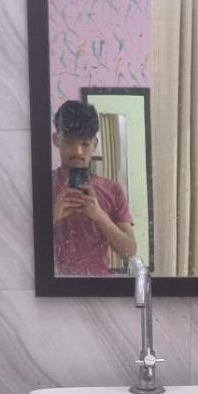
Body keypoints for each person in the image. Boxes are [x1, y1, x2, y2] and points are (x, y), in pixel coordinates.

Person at [51, 100, 137, 276]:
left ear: (95, 144)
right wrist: (53, 216)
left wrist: (99, 215)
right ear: (56, 140)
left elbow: (130, 253)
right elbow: (17, 244)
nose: (78, 151)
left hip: (96, 288)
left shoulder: (112, 189)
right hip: (49, 287)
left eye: (85, 144)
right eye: (69, 142)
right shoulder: (41, 185)